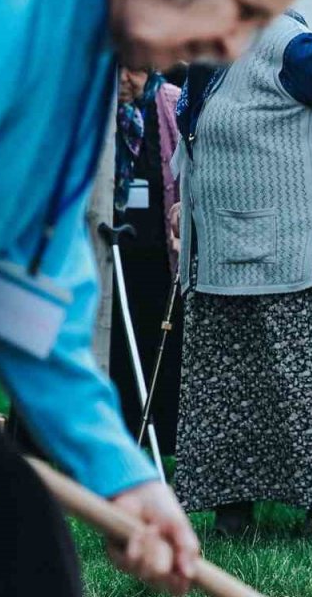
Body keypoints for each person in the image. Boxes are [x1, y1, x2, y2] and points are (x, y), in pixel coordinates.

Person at [0, 0, 312, 594]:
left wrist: (123, 476)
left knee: (19, 543)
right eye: (241, 7)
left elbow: (29, 293)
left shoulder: (87, 61)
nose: (231, 46)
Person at [172, 10, 312, 534]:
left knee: (305, 385)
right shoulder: (207, 55)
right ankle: (232, 513)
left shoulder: (284, 42)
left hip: (295, 252)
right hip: (223, 253)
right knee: (228, 389)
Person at [110, 66, 185, 455]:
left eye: (134, 71)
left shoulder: (171, 101)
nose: (125, 79)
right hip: (113, 254)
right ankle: (120, 439)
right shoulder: (102, 110)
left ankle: (162, 442)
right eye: (118, 69)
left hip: (160, 257)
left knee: (162, 346)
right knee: (117, 348)